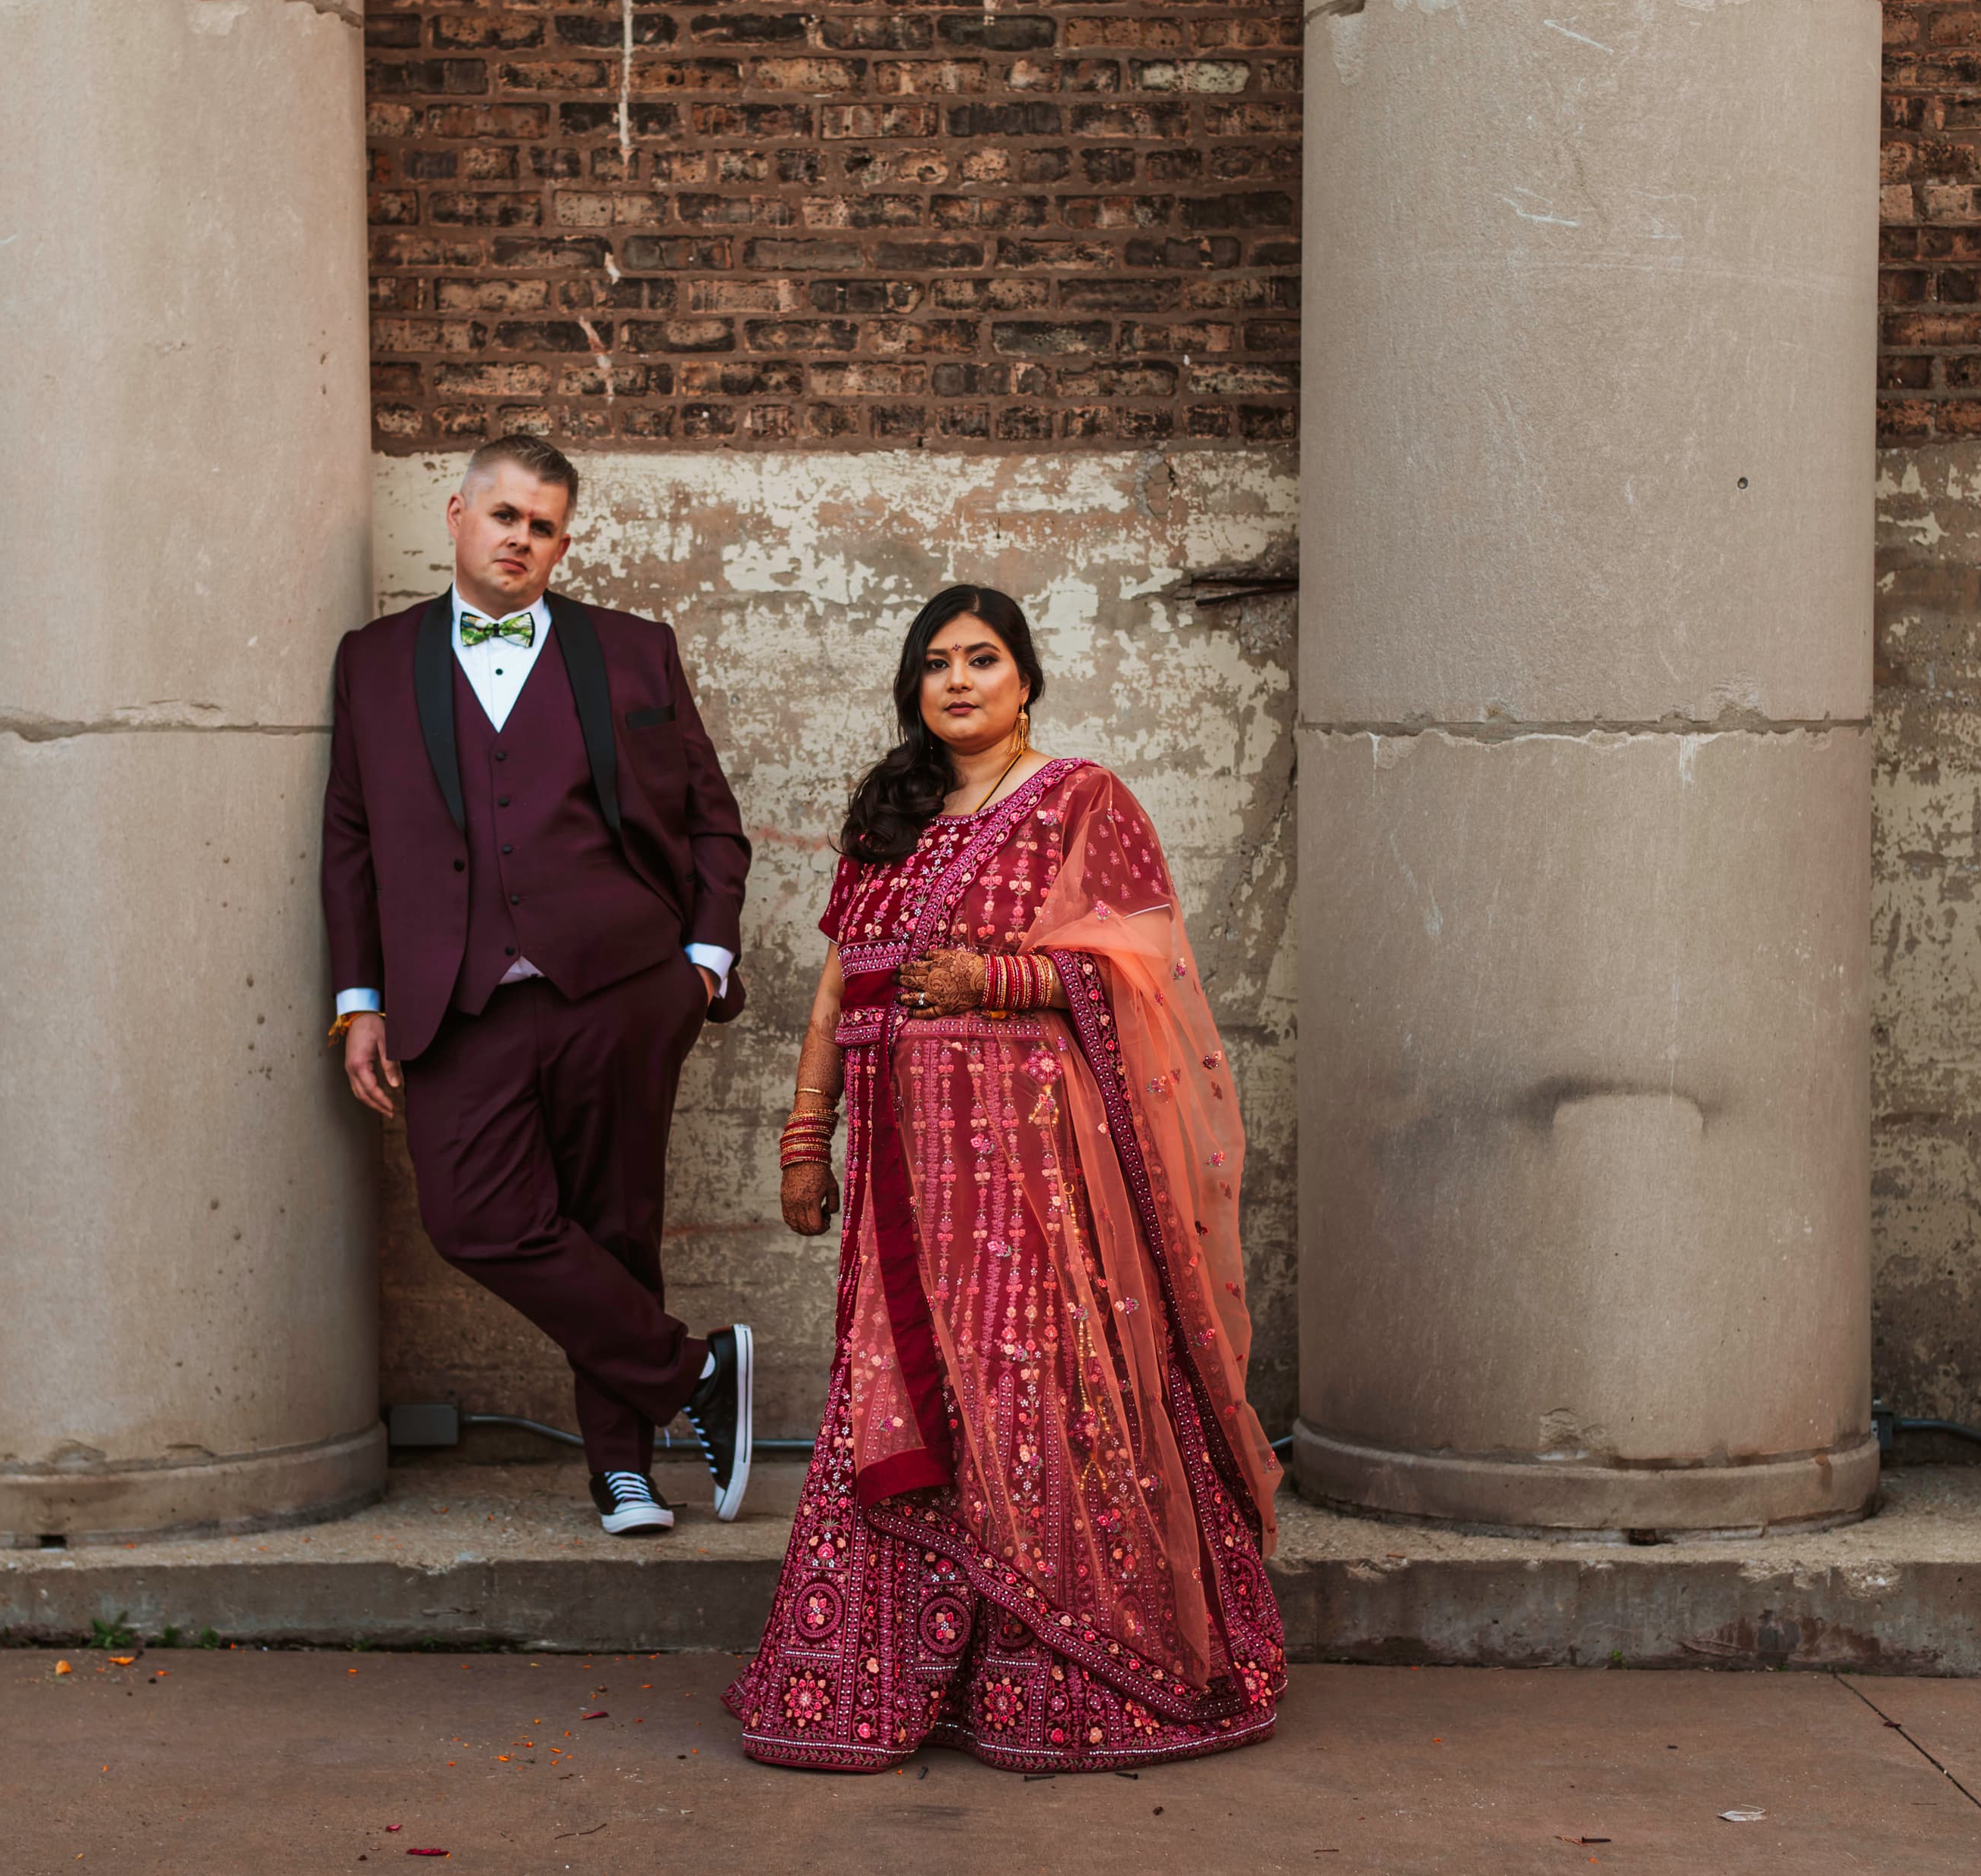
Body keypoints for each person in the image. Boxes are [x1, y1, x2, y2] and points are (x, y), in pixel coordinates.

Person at [726, 584, 1286, 1772]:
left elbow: (1145, 969)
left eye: (984, 659)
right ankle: (883, 1680)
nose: (960, 681)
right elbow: (838, 991)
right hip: (894, 1163)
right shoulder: (889, 816)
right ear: (913, 689)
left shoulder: (1078, 799)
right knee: (900, 1384)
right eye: (936, 664)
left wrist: (1001, 983)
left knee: (1033, 1375)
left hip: (1029, 1159)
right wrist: (801, 1135)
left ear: (1026, 676)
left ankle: (1058, 1675)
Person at [320, 434, 757, 1538]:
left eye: (545, 525)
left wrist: (703, 960)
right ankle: (696, 1373)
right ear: (458, 515)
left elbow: (710, 816)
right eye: (506, 514)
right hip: (456, 998)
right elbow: (352, 839)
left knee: (616, 1223)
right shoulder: (372, 660)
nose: (522, 538)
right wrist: (359, 996)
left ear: (565, 543)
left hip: (618, 984)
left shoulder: (632, 652)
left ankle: (622, 1474)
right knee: (474, 1219)